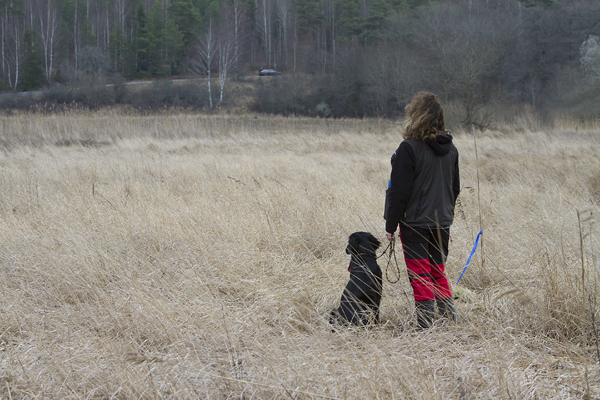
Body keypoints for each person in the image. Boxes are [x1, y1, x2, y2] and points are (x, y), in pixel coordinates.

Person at [384, 91, 460, 329]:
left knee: (420, 274)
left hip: (415, 224)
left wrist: (390, 225)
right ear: (439, 117)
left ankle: (426, 327)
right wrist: (445, 213)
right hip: (442, 222)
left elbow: (398, 192)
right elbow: (455, 188)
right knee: (437, 270)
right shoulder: (452, 149)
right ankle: (449, 321)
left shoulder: (408, 148)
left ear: (415, 116)